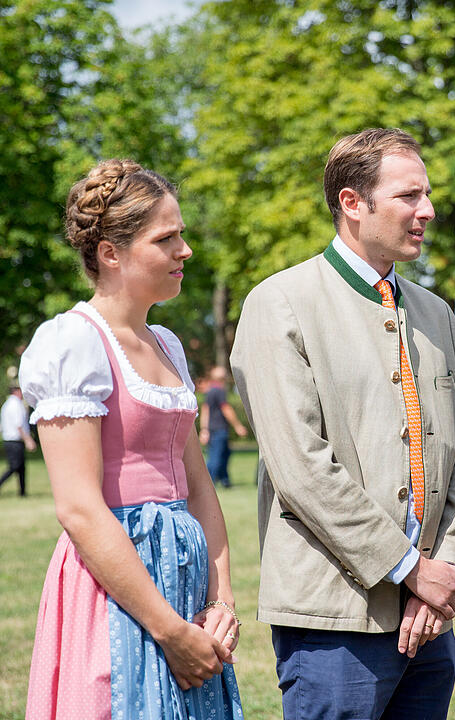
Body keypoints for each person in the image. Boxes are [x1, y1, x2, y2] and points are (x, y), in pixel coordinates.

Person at [230, 128, 455, 720]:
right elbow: (301, 468)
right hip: (332, 620)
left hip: (428, 621)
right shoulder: (279, 303)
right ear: (351, 203)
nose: (429, 210)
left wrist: (443, 572)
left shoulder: (438, 314)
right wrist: (410, 570)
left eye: (427, 194)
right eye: (408, 196)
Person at [19, 159, 243, 719]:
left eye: (182, 235)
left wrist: (221, 599)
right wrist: (169, 630)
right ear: (110, 254)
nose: (184, 251)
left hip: (186, 581)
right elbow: (79, 508)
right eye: (166, 238)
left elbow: (198, 485)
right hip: (117, 588)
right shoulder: (73, 342)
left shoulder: (166, 343)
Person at [200, 366, 248, 488]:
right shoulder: (219, 391)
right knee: (216, 457)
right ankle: (209, 483)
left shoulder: (210, 391)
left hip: (212, 429)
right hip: (219, 429)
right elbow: (226, 409)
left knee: (224, 454)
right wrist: (238, 426)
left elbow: (205, 410)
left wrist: (204, 430)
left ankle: (225, 480)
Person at [1, 383, 36, 496]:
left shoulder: (7, 404)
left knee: (21, 467)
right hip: (14, 440)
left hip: (9, 439)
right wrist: (28, 440)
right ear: (17, 391)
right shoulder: (16, 405)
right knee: (14, 466)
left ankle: (22, 492)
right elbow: (19, 425)